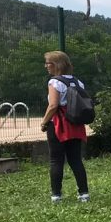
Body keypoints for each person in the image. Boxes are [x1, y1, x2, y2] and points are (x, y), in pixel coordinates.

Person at [39, 51, 90, 203]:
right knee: (76, 159)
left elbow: (53, 105)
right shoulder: (78, 82)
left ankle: (56, 195)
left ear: (56, 65)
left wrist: (44, 122)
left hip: (59, 125)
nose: (46, 66)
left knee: (56, 160)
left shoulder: (54, 82)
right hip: (75, 123)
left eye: (48, 63)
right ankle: (84, 193)